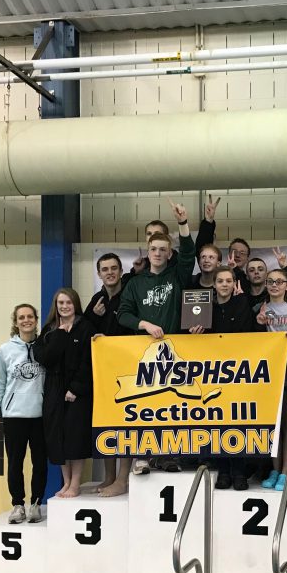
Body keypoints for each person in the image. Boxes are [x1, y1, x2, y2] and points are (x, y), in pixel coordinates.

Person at [34, 288, 96, 498]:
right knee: (57, 436)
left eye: (68, 302)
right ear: (56, 305)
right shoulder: (50, 329)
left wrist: (76, 388)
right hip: (53, 388)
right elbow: (44, 357)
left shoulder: (85, 327)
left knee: (74, 437)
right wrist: (60, 333)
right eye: (61, 303)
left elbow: (88, 361)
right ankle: (66, 481)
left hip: (77, 390)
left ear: (75, 304)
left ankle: (76, 482)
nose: (64, 306)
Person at [0, 304, 47, 524]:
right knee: (15, 463)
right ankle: (18, 505)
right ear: (16, 321)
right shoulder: (6, 350)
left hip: (40, 416)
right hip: (14, 416)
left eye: (30, 316)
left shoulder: (44, 345)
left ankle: (36, 504)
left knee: (40, 462)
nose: (26, 320)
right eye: (21, 317)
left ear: (36, 319)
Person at [84, 253, 134, 496]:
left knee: (125, 424)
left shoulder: (130, 293)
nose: (110, 272)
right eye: (105, 269)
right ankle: (109, 476)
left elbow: (134, 325)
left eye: (114, 268)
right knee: (107, 423)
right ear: (99, 273)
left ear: (121, 271)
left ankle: (123, 479)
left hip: (127, 369)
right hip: (104, 373)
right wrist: (95, 316)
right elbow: (85, 331)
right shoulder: (97, 300)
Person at [254, 267, 287, 490]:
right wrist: (256, 324)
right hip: (267, 376)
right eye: (270, 281)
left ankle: (286, 471)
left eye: (279, 281)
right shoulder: (257, 309)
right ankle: (274, 470)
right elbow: (248, 344)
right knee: (272, 424)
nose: (274, 285)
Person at [117, 199, 197, 338]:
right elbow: (123, 314)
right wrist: (145, 325)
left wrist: (182, 223)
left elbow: (188, 253)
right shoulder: (135, 283)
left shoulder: (178, 276)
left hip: (176, 347)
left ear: (169, 252)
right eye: (153, 249)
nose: (157, 253)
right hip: (144, 350)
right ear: (148, 251)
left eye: (162, 249)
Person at [209, 266, 257, 490]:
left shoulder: (242, 303)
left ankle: (239, 471)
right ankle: (223, 471)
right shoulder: (204, 306)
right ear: (214, 284)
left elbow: (245, 331)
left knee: (236, 421)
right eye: (220, 281)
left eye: (229, 280)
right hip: (211, 372)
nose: (225, 284)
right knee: (216, 421)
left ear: (234, 283)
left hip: (236, 372)